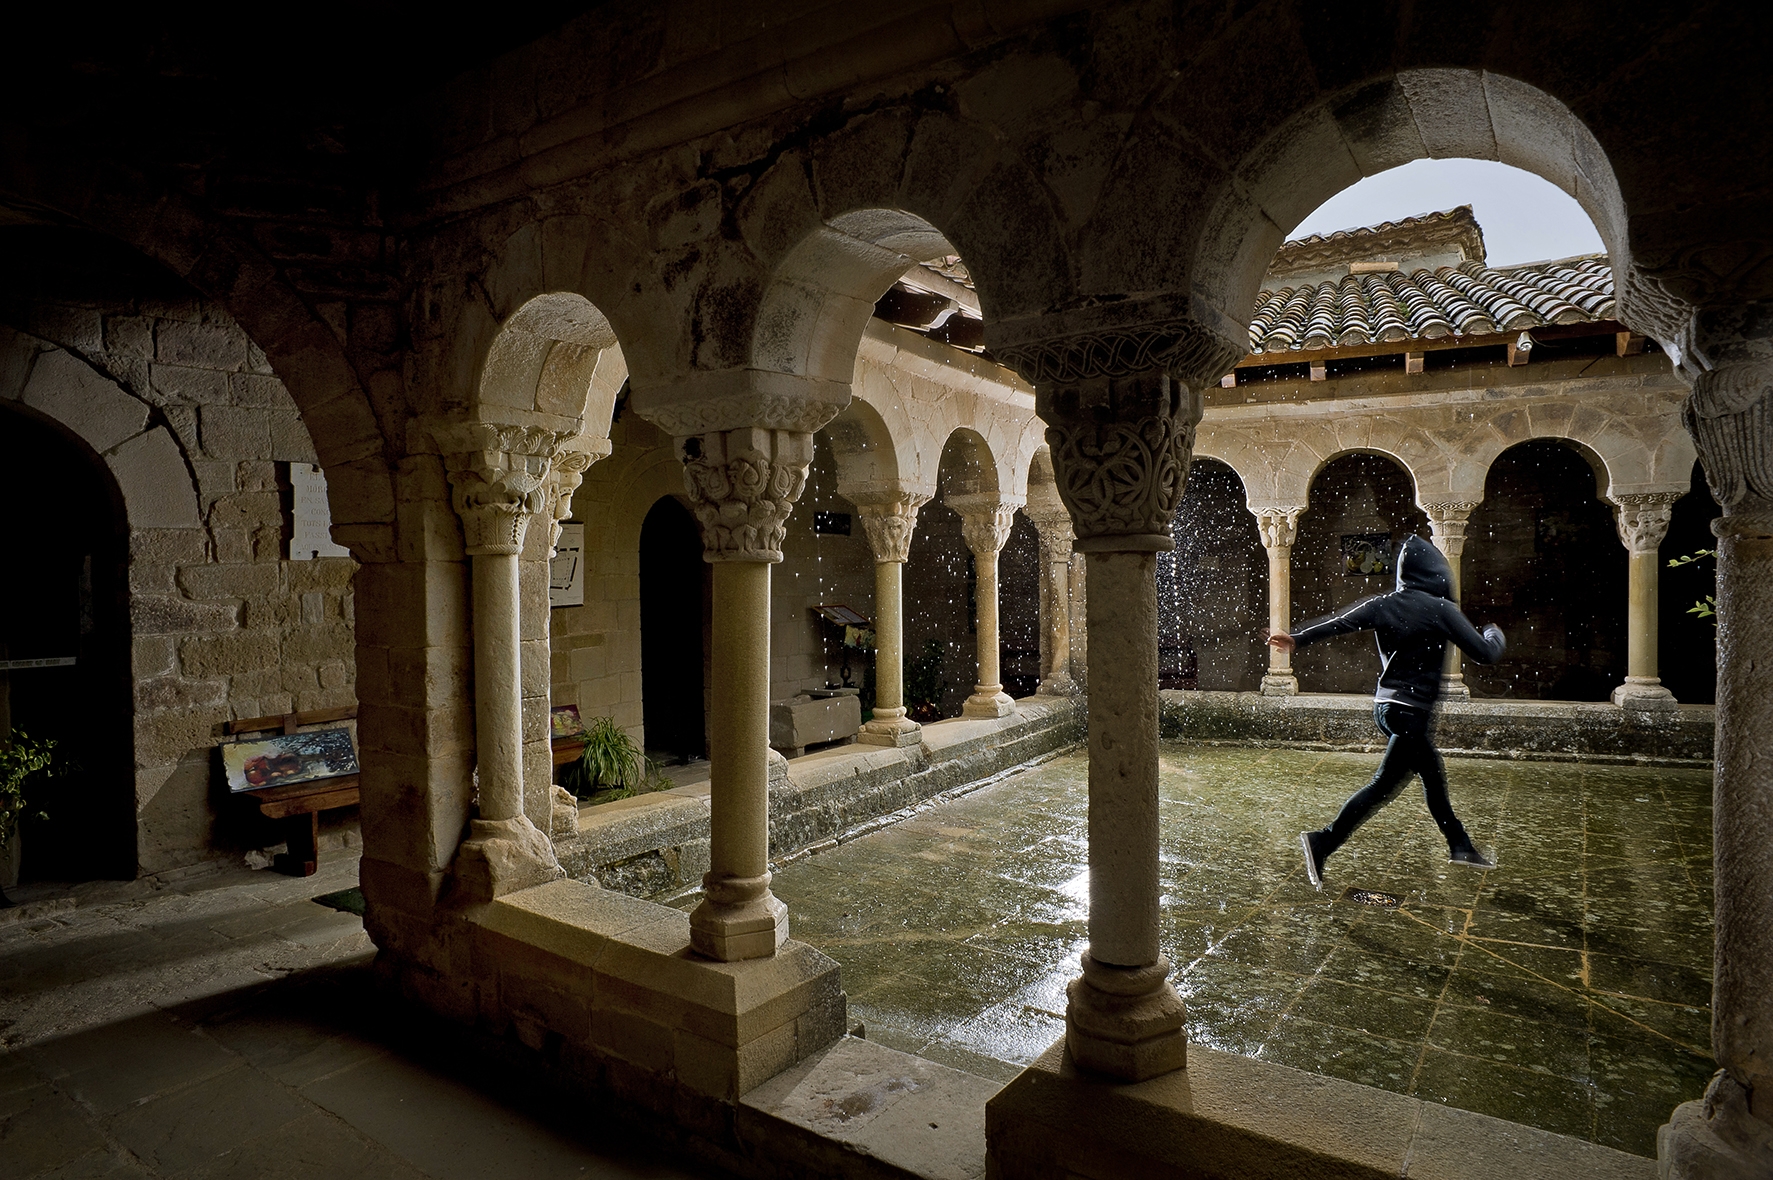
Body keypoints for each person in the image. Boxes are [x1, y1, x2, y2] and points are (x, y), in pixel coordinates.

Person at [1266, 533, 1506, 890]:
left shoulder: (1385, 603)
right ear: (1437, 572)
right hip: (1411, 713)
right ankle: (1322, 841)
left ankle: (1461, 846)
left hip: (1385, 708)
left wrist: (1298, 639)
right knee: (1382, 787)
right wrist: (1493, 631)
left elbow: (1340, 622)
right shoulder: (1441, 609)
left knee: (1431, 773)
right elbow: (1486, 655)